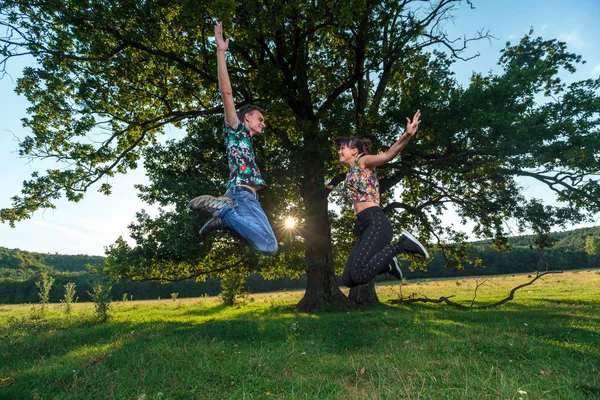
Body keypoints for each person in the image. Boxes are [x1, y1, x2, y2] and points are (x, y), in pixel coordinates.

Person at [188, 22, 277, 256]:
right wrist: (221, 52)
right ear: (246, 117)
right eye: (260, 118)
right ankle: (225, 212)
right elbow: (226, 92)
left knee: (267, 244)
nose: (263, 123)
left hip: (245, 196)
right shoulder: (235, 127)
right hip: (240, 195)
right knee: (269, 244)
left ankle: (224, 217)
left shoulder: (245, 139)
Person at [331, 110, 429, 287]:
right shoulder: (350, 172)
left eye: (342, 148)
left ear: (354, 151)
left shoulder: (363, 161)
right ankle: (388, 264)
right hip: (363, 225)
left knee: (359, 275)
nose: (339, 151)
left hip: (375, 221)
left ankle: (403, 245)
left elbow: (387, 156)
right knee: (348, 280)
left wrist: (407, 134)